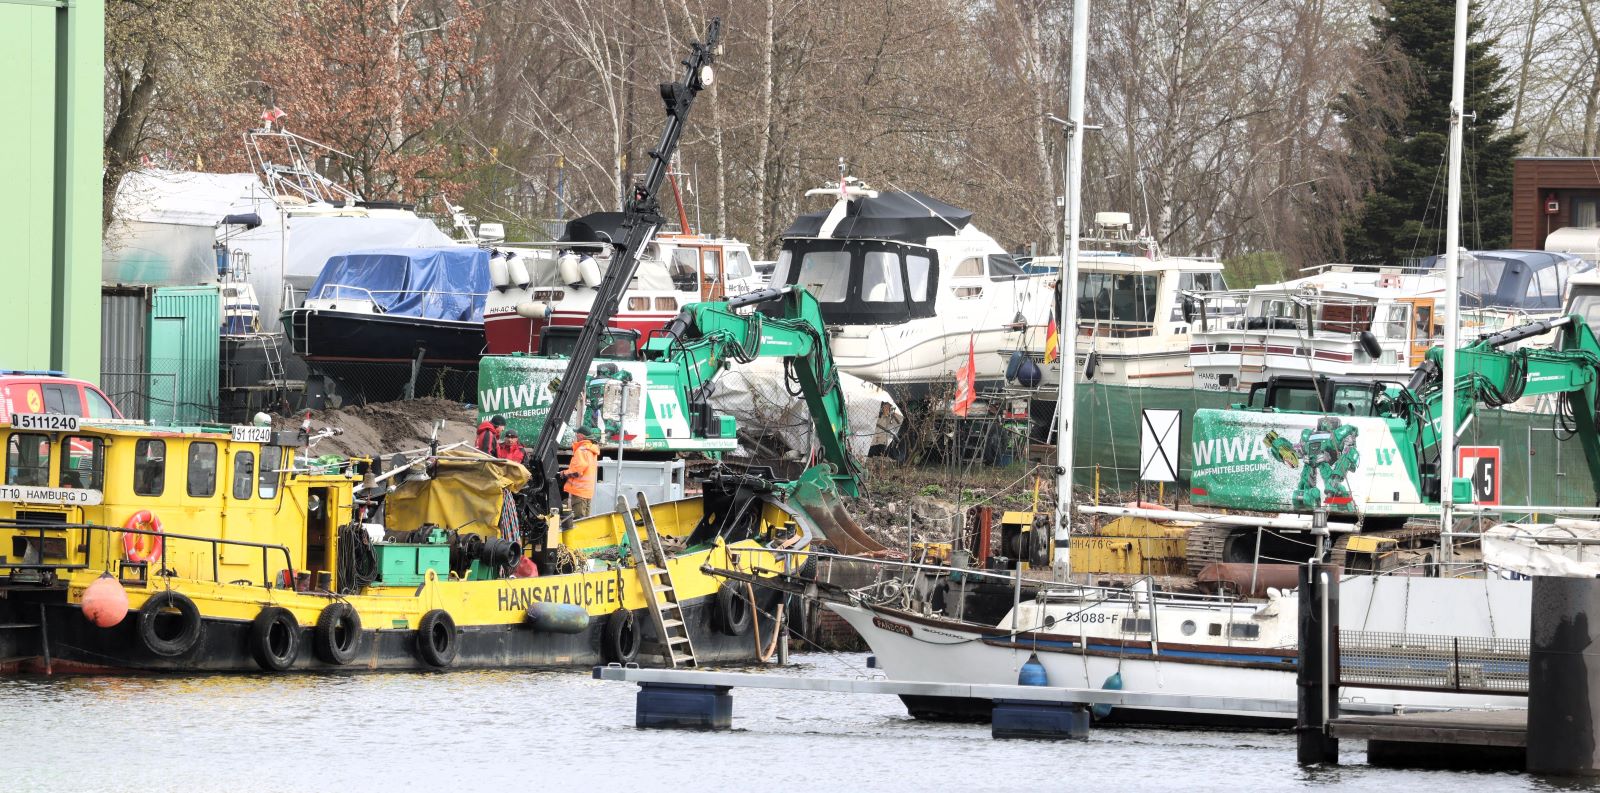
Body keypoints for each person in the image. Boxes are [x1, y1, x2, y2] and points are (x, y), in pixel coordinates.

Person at [561, 426, 600, 519]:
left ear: (581, 436)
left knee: (577, 521)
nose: (576, 435)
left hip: (579, 493)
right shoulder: (591, 450)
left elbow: (578, 471)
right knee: (585, 522)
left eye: (577, 433)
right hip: (587, 492)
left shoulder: (581, 450)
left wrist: (564, 473)